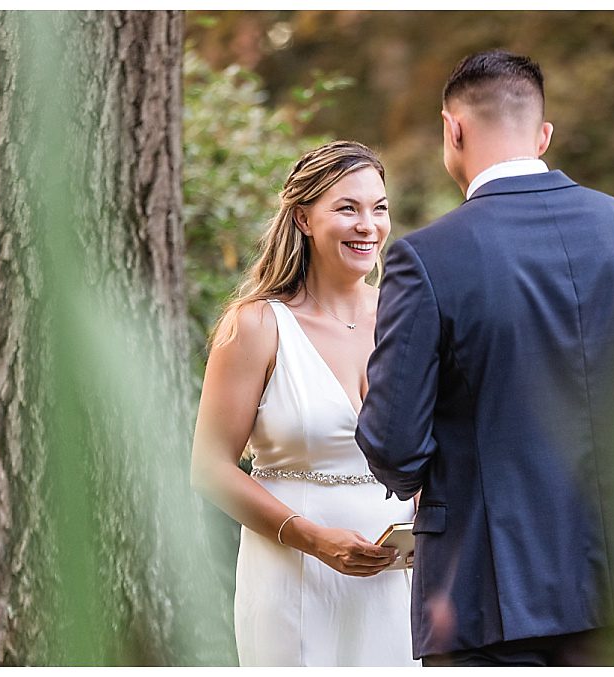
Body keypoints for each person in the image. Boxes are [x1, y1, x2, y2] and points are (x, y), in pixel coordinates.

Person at [356, 49, 614, 667]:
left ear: (451, 129)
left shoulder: (425, 258)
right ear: (542, 136)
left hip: (487, 592)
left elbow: (395, 443)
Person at [190, 140, 415, 666]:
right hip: (292, 578)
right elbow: (210, 469)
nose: (369, 225)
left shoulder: (408, 318)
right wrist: (313, 540)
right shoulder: (256, 325)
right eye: (347, 208)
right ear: (304, 219)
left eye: (378, 208)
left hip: (396, 581)